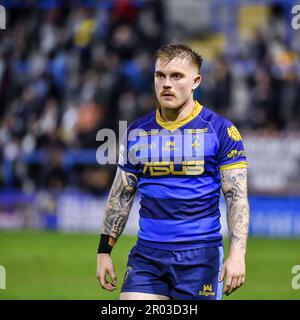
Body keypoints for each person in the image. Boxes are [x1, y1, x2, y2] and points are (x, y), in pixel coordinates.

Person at [96, 43, 250, 300]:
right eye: (161, 75)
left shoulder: (221, 130)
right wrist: (104, 252)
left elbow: (236, 197)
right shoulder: (137, 132)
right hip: (147, 257)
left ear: (196, 81)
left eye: (176, 76)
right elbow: (121, 194)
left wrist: (237, 254)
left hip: (200, 259)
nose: (167, 83)